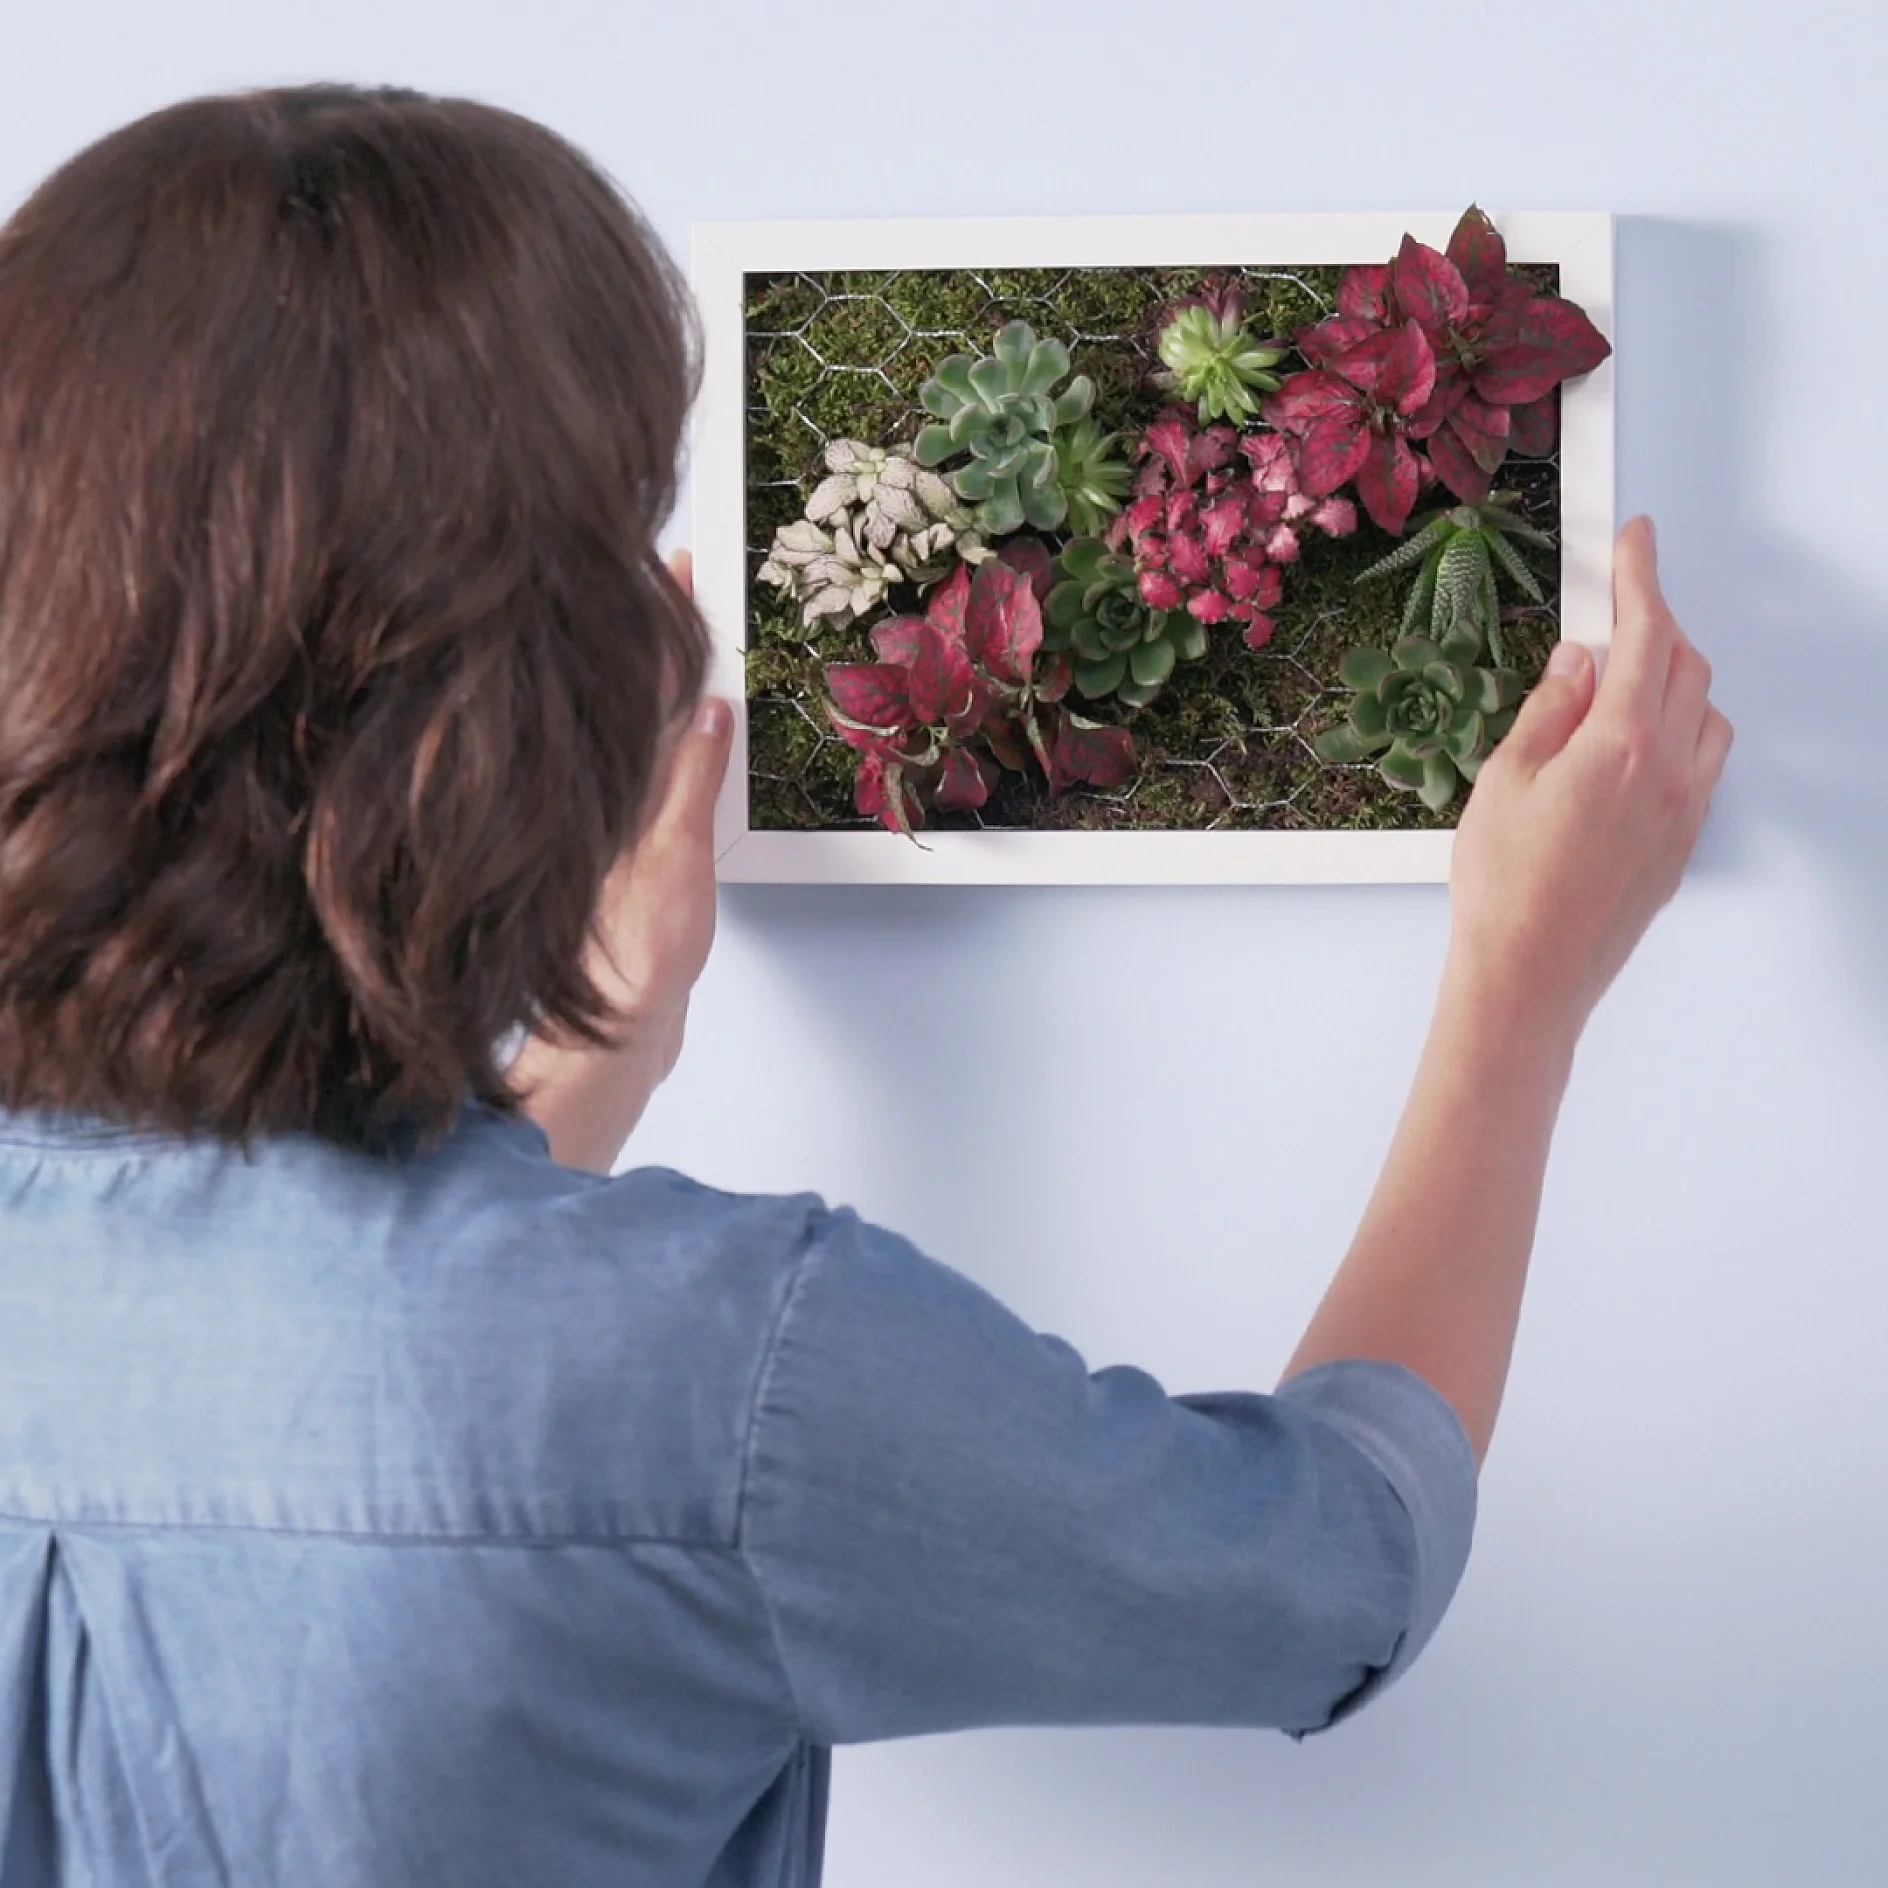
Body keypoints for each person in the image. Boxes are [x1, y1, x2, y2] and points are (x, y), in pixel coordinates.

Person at [0, 84, 1730, 1888]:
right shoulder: (724, 1376)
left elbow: (293, 1377)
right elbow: (1330, 1578)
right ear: (519, 692)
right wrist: (1521, 990)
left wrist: (593, 1060)